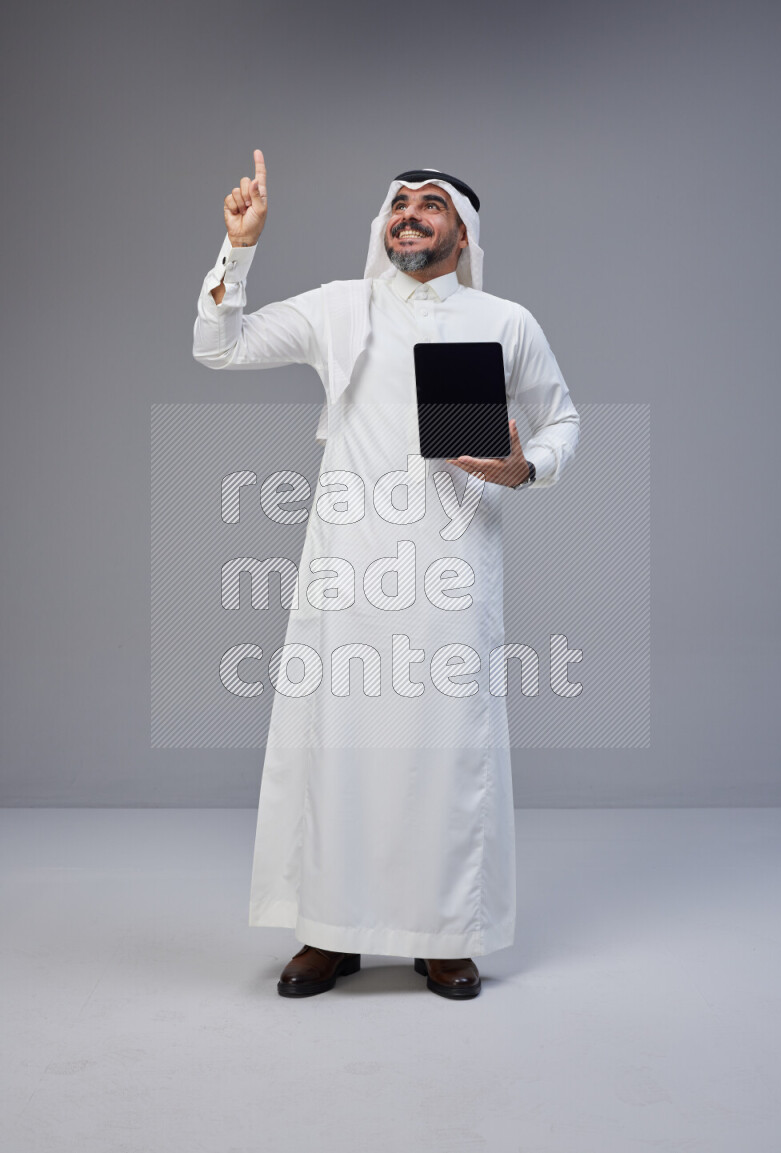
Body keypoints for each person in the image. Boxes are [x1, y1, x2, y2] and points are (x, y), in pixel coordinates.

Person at [193, 150, 580, 1000]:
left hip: (451, 572)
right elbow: (222, 347)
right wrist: (240, 249)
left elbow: (561, 420)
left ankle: (445, 935)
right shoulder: (341, 308)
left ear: (463, 233)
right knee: (339, 749)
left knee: (445, 752)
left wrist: (525, 469)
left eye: (430, 203)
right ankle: (331, 933)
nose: (409, 213)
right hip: (348, 573)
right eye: (398, 203)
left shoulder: (504, 320)